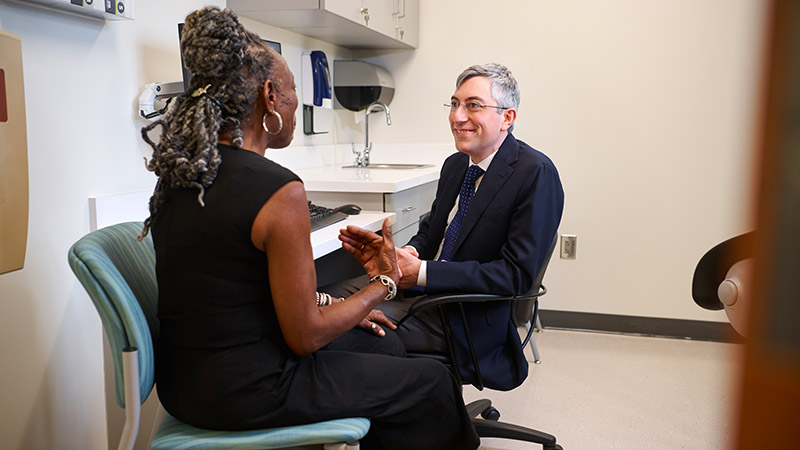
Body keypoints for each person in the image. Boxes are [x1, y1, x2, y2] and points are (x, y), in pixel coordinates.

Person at [138, 7, 479, 450]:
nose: (297, 102)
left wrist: (341, 303)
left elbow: (235, 290)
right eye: (293, 89)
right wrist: (382, 283)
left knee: (385, 347)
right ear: (269, 95)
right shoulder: (278, 190)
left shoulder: (181, 176)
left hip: (186, 385)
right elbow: (306, 337)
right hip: (250, 388)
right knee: (430, 381)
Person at [337, 63, 564, 391]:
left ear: (507, 118)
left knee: (340, 327)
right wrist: (407, 254)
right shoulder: (457, 165)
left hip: (465, 316)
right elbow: (432, 232)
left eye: (473, 105)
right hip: (423, 292)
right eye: (455, 104)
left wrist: (424, 272)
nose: (457, 116)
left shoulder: (535, 173)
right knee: (323, 301)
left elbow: (515, 276)